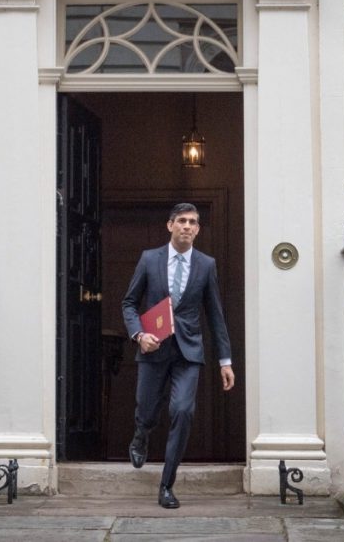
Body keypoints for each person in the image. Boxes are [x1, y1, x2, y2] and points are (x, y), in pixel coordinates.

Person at [121, 202, 235, 509]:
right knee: (147, 409)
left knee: (183, 412)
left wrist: (225, 361)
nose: (187, 226)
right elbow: (129, 303)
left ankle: (166, 485)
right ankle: (141, 434)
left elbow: (216, 315)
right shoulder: (149, 259)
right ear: (170, 225)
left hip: (189, 352)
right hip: (153, 349)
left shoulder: (206, 265)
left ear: (198, 229)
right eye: (181, 221)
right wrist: (139, 335)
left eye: (193, 222)